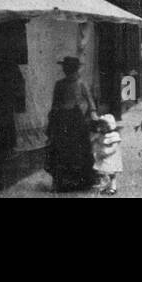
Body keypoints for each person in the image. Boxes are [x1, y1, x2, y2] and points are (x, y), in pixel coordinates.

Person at [46, 56, 97, 191]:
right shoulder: (60, 84)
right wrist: (53, 117)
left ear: (75, 70)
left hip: (78, 120)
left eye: (70, 69)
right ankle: (61, 181)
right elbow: (55, 103)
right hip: (62, 120)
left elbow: (89, 99)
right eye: (66, 69)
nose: (68, 72)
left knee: (79, 150)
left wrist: (93, 112)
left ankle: (81, 181)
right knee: (61, 150)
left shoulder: (81, 83)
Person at [92, 113, 122, 195]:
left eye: (103, 126)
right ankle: (104, 185)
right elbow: (97, 142)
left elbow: (115, 147)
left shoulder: (114, 135)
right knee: (102, 172)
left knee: (111, 173)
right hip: (102, 156)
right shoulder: (101, 135)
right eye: (100, 126)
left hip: (110, 157)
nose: (101, 128)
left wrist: (108, 151)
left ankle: (113, 186)